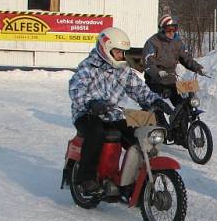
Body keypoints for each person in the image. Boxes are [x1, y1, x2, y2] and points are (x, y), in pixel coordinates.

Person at [69, 27, 174, 196]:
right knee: (96, 133)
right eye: (118, 52)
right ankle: (86, 178)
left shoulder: (122, 70)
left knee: (138, 137)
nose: (121, 56)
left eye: (123, 53)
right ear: (105, 49)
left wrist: (156, 101)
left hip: (112, 114)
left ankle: (133, 181)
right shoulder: (88, 68)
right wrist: (91, 104)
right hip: (87, 114)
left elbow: (138, 88)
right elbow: (76, 90)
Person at [142, 15, 204, 129]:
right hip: (155, 81)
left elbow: (186, 58)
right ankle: (160, 127)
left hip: (171, 79)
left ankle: (181, 130)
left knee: (183, 104)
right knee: (158, 105)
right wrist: (157, 72)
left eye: (174, 29)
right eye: (168, 29)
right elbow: (148, 63)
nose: (171, 32)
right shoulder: (152, 42)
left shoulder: (177, 42)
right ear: (161, 29)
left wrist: (197, 67)